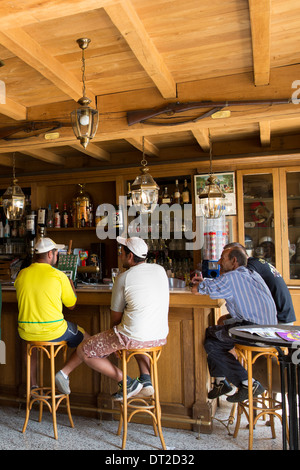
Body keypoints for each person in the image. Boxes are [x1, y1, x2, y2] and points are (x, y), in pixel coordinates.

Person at [77, 236, 169, 400]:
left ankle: (126, 382)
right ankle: (146, 379)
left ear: (130, 256)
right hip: (159, 337)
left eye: (122, 252)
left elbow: (115, 318)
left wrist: (116, 343)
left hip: (133, 338)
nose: (120, 255)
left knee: (83, 351)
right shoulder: (159, 270)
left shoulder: (124, 278)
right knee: (134, 333)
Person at [191, 245, 277, 403]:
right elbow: (222, 285)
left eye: (223, 259)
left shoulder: (232, 277)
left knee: (211, 339)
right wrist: (207, 283)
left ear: (234, 261)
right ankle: (222, 382)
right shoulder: (252, 274)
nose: (218, 262)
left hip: (253, 330)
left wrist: (201, 284)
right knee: (215, 334)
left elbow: (196, 290)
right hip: (270, 331)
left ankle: (246, 383)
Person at [14, 237, 90, 394]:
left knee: (32, 346)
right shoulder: (59, 276)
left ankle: (33, 387)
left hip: (26, 331)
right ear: (50, 254)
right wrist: (70, 285)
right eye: (56, 253)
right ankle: (64, 373)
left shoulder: (21, 274)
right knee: (88, 339)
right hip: (54, 331)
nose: (57, 257)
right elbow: (72, 305)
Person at [223, 242, 296, 324]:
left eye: (224, 258)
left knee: (225, 322)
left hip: (278, 320)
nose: (221, 262)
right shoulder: (256, 263)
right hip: (283, 315)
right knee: (226, 320)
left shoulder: (249, 267)